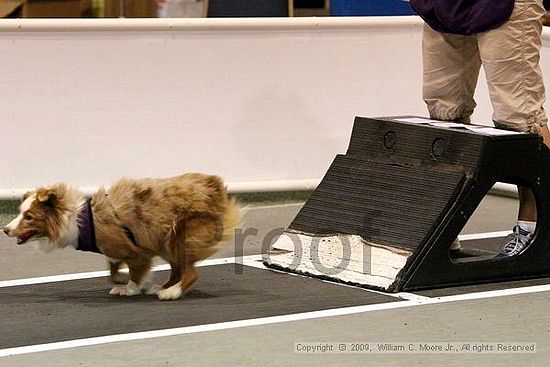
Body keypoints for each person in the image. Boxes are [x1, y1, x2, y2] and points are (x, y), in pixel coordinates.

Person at [410, 0, 550, 256]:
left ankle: (534, 227)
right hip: (444, 7)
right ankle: (446, 227)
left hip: (507, 6)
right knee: (444, 113)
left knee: (519, 116)